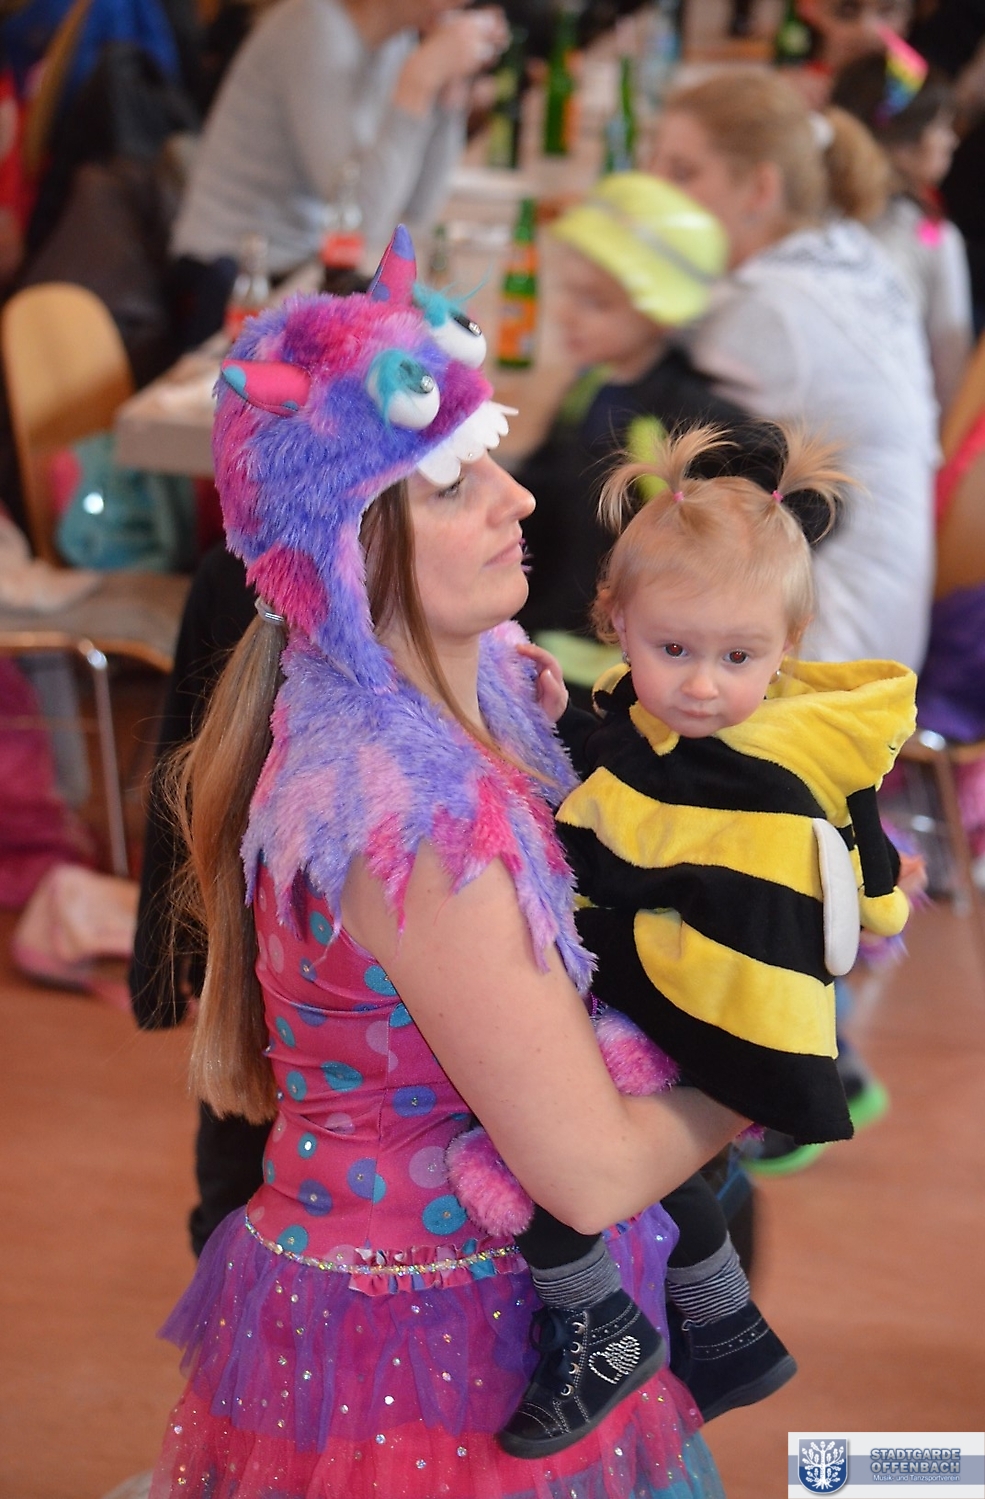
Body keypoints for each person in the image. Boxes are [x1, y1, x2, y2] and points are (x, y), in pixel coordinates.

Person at [147, 225, 741, 1499]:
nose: (517, 499)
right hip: (444, 1355)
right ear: (347, 550)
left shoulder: (472, 691)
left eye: (494, 459)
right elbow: (587, 1167)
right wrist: (774, 1063)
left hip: (466, 1297)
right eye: (453, 482)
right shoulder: (412, 818)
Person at [449, 422, 918, 1456]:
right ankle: (725, 1321)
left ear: (787, 645)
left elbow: (646, 846)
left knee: (515, 1156)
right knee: (658, 1165)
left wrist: (880, 902)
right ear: (616, 622)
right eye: (674, 651)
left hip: (715, 1007)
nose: (702, 685)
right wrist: (564, 724)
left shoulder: (751, 766)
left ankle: (603, 1326)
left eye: (736, 657)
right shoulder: (665, 721)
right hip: (682, 992)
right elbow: (625, 764)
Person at [650, 68, 938, 674]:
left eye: (682, 172)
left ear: (759, 190)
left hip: (826, 648)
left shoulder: (767, 311)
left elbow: (642, 376)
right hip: (887, 621)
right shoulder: (848, 249)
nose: (655, 190)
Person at [515, 172, 745, 705]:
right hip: (547, 632)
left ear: (659, 315)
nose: (567, 314)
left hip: (613, 676)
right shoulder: (591, 384)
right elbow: (543, 491)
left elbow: (787, 497)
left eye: (597, 303)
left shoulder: (683, 417)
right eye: (570, 292)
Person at [168, 0, 508, 347]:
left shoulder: (394, 43)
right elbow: (363, 221)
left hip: (305, 270)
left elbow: (417, 212)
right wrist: (420, 80)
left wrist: (448, 96)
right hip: (233, 284)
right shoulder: (311, 29)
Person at [832, 41, 973, 413]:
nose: (952, 140)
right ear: (905, 144)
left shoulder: (816, 215)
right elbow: (951, 371)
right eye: (942, 127)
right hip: (899, 420)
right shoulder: (932, 236)